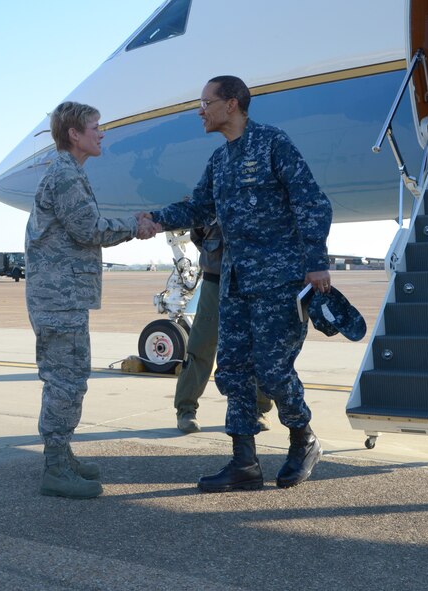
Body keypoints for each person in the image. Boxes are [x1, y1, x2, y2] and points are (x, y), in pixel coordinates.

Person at [140, 75, 332, 492]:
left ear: (231, 104)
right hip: (235, 282)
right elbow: (198, 206)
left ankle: (304, 439)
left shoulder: (272, 143)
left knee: (274, 369)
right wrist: (156, 218)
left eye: (205, 102)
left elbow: (311, 200)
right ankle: (244, 463)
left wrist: (316, 261)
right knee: (233, 370)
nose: (200, 110)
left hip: (278, 280)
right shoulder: (220, 160)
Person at [25, 101, 159, 500]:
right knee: (65, 381)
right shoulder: (65, 176)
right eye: (96, 127)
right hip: (59, 299)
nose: (102, 134)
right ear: (75, 134)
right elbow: (89, 230)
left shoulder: (69, 173)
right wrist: (135, 227)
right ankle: (55, 467)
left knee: (69, 377)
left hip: (62, 297)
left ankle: (62, 455)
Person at [174, 222, 273, 434]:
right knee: (201, 347)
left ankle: (258, 409)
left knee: (258, 347)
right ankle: (186, 410)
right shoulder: (211, 194)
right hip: (215, 282)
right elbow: (198, 234)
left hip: (252, 282)